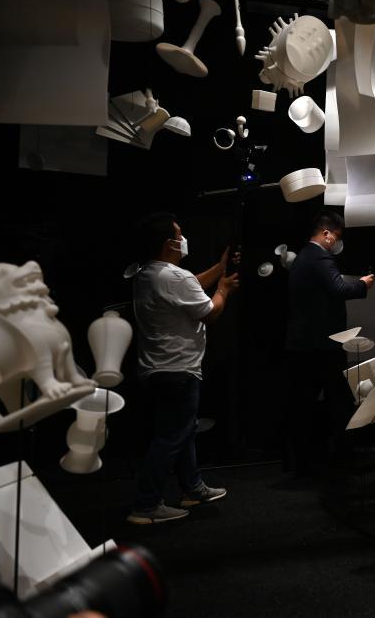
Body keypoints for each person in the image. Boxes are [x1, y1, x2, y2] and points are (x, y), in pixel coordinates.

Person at [127, 213, 240, 524]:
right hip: (178, 369)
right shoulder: (175, 277)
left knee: (182, 431)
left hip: (158, 368)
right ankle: (147, 504)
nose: (183, 239)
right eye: (179, 235)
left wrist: (219, 268)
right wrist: (224, 289)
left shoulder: (149, 273)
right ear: (169, 244)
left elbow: (188, 288)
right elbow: (209, 312)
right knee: (171, 437)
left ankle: (192, 487)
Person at [284, 212, 374, 478]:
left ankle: (301, 461)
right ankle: (341, 458)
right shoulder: (321, 257)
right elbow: (339, 289)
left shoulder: (302, 257)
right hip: (322, 345)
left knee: (304, 404)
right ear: (326, 234)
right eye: (336, 236)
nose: (336, 242)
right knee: (339, 401)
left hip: (303, 344)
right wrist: (362, 284)